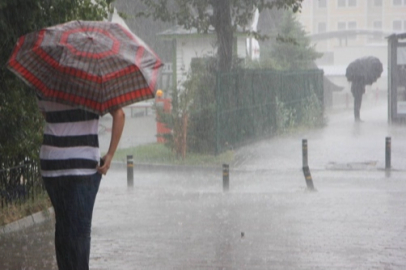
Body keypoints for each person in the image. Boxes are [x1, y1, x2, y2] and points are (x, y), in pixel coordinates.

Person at [37, 96, 125, 270]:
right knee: (80, 229)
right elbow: (120, 114)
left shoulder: (48, 79)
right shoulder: (92, 83)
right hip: (82, 164)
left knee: (63, 224)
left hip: (52, 163)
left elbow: (48, 115)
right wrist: (110, 154)